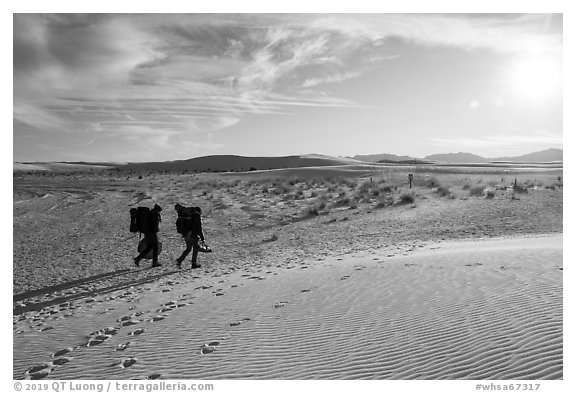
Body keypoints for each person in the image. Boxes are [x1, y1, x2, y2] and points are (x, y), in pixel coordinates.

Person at [134, 204, 162, 268]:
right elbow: (155, 225)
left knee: (149, 247)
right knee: (155, 246)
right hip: (152, 233)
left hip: (147, 233)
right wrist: (156, 229)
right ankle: (155, 262)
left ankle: (138, 258)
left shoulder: (149, 214)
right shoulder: (154, 215)